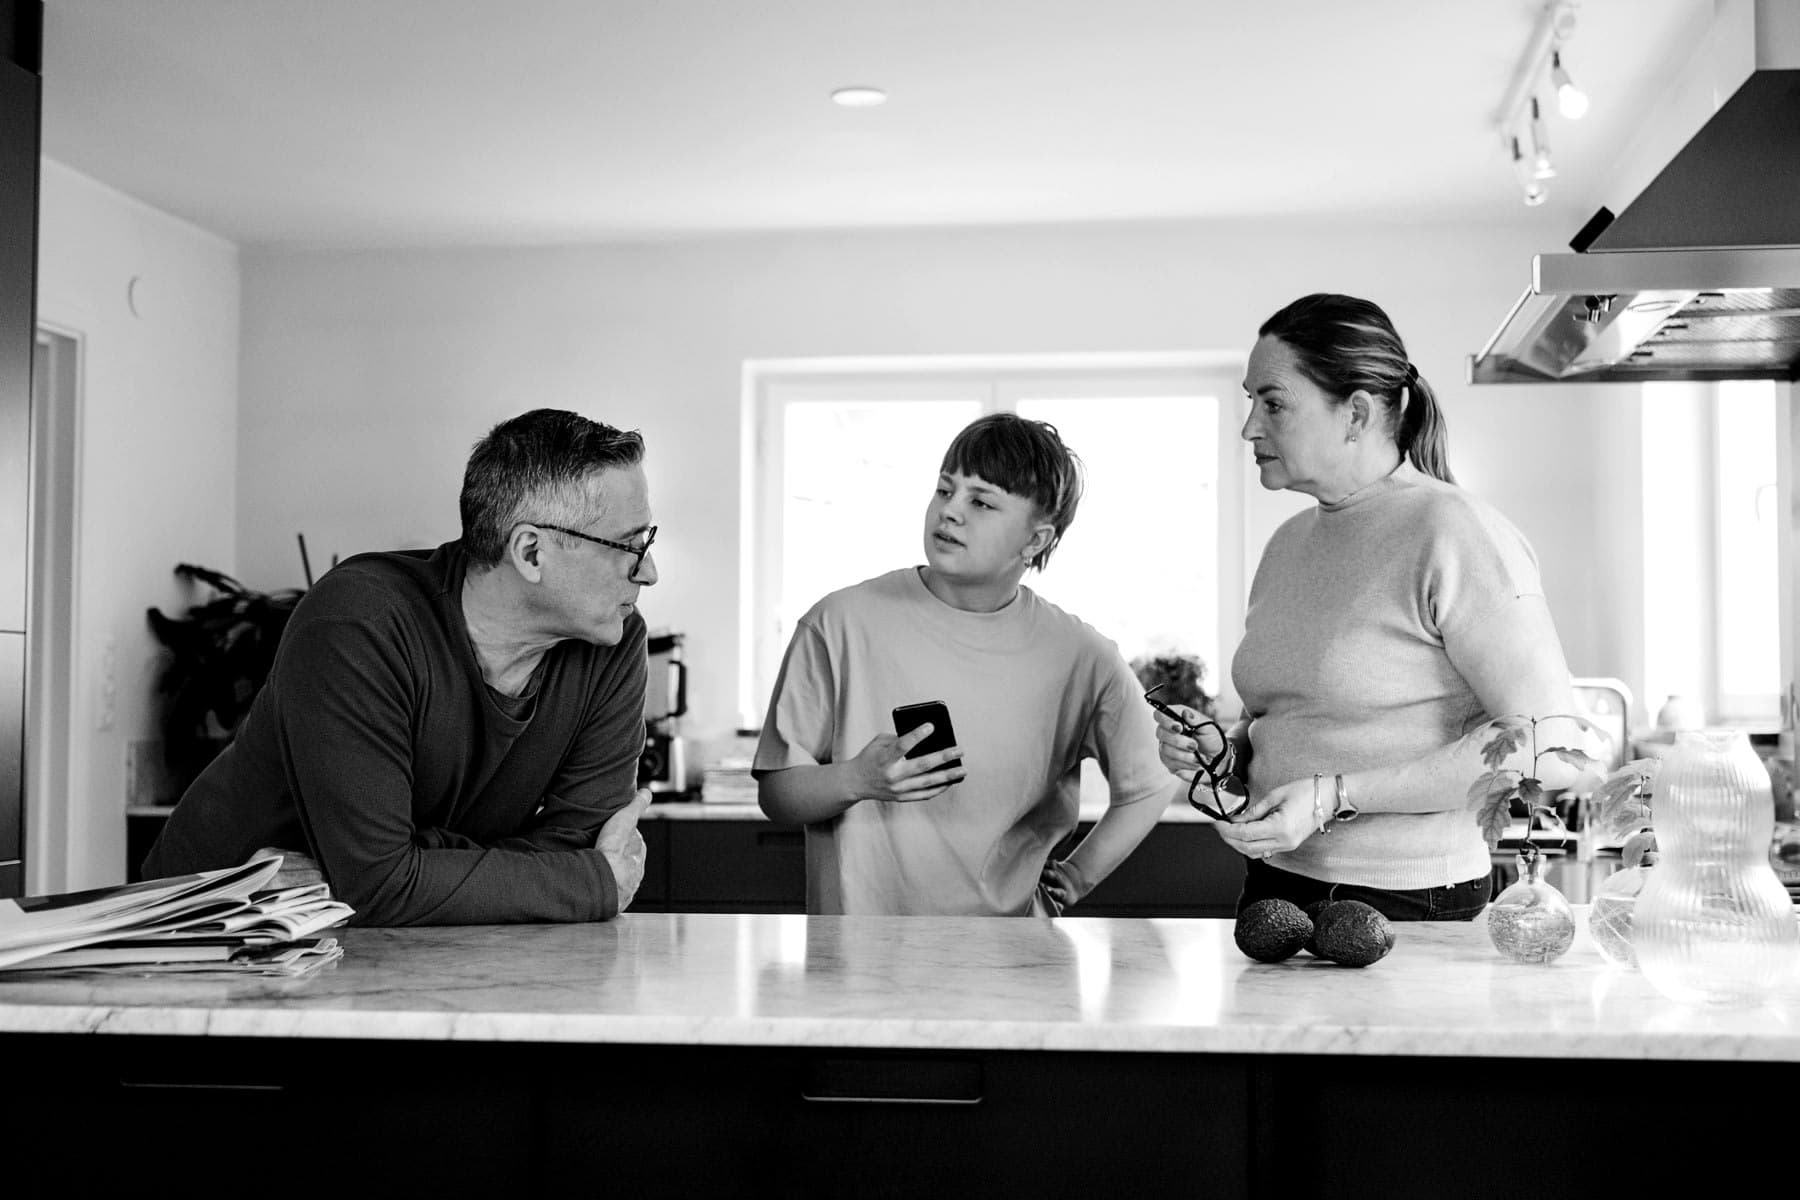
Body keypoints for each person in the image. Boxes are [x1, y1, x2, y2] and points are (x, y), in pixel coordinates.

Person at [1154, 293, 1588, 922]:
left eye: (1271, 403)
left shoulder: (1455, 532)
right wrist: (1226, 753)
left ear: (1355, 414)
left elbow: (1547, 743)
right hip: (1274, 888)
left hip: (1407, 900)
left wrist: (1335, 796)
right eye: (1250, 402)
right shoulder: (1289, 543)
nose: (1249, 426)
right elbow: (1296, 722)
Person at [141, 409, 658, 925]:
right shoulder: (357, 623)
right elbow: (381, 885)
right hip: (215, 933)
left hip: (382, 937)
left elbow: (575, 846)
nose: (649, 571)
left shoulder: (612, 644)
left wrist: (366, 873)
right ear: (530, 552)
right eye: (631, 546)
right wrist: (580, 880)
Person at [754, 413, 1180, 916]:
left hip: (1011, 965)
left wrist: (1077, 876)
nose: (949, 512)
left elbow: (1150, 785)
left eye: (980, 501)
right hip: (859, 962)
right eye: (944, 490)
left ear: (1035, 540)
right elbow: (777, 793)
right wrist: (857, 779)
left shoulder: (1082, 655)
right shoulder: (837, 623)